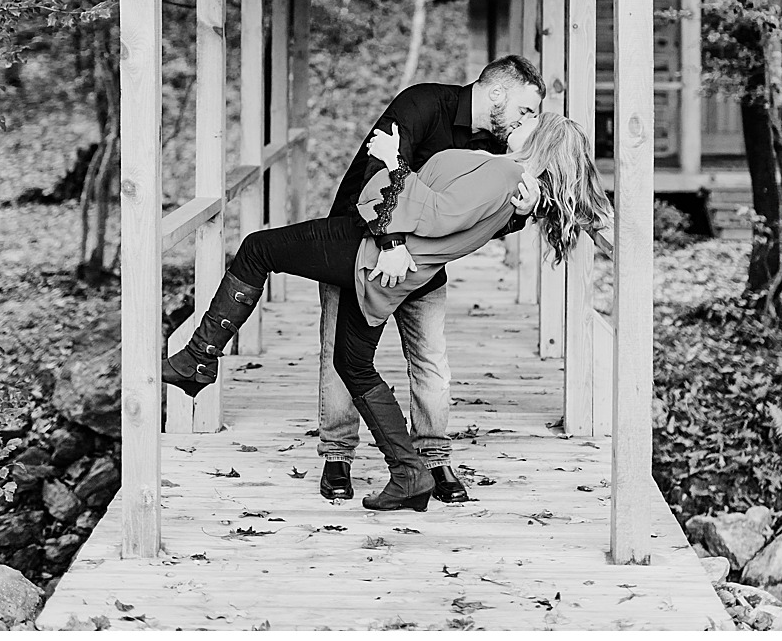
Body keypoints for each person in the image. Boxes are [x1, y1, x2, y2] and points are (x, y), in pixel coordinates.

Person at [162, 111, 610, 512]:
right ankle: (408, 472)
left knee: (258, 249)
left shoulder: (506, 176)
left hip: (369, 251)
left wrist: (395, 162)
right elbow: (451, 212)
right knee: (351, 362)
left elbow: (437, 213)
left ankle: (199, 357)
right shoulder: (518, 194)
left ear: (544, 139)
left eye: (533, 120)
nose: (522, 121)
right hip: (391, 263)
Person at [316, 56, 544, 504]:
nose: (528, 121)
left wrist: (520, 213)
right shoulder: (422, 103)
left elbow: (479, 218)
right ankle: (337, 456)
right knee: (339, 353)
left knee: (431, 361)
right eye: (526, 109)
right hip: (361, 248)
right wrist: (390, 244)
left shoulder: (497, 150)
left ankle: (433, 460)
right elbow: (378, 169)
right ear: (497, 92)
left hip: (423, 268)